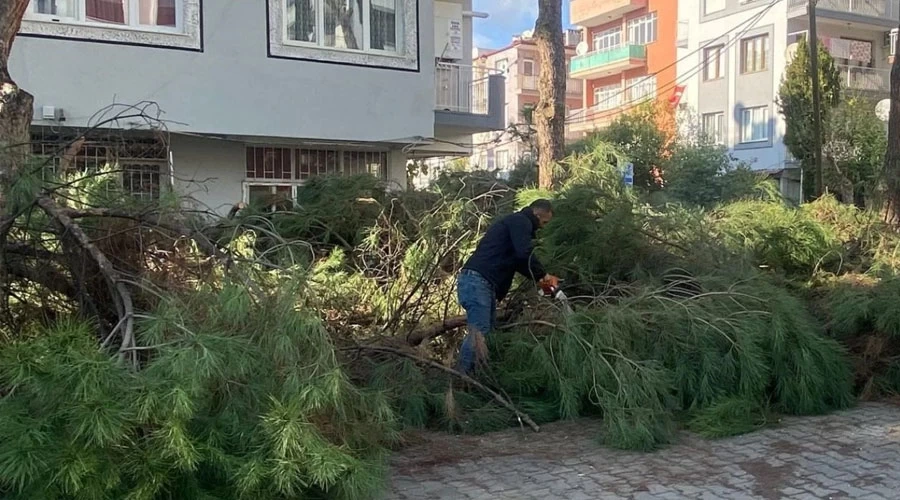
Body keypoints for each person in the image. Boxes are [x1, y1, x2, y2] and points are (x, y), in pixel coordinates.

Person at [455, 199, 559, 374]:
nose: (543, 227)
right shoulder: (521, 221)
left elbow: (519, 262)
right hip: (477, 281)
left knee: (487, 333)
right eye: (544, 222)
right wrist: (544, 275)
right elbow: (524, 253)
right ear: (537, 214)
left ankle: (479, 376)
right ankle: (461, 378)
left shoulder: (516, 226)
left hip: (482, 282)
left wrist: (541, 280)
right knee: (479, 333)